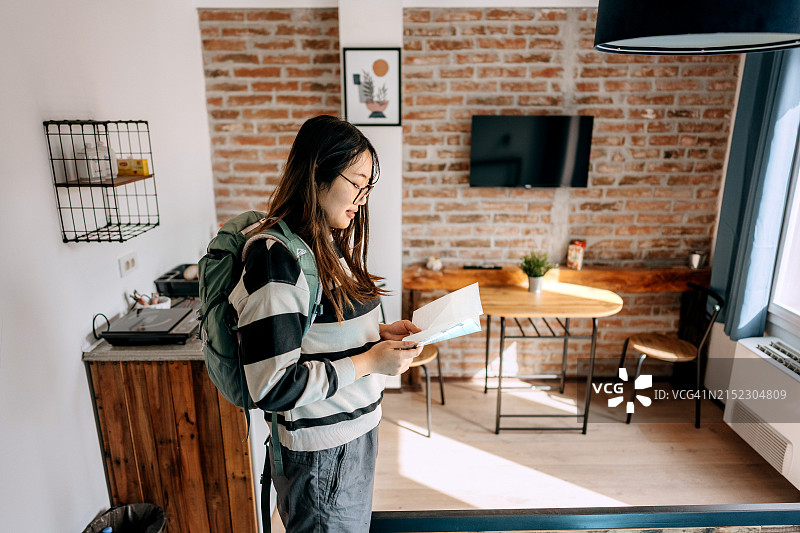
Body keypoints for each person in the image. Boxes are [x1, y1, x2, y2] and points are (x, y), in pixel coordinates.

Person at [228, 114, 424, 532]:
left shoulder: (324, 241)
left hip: (349, 440)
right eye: (357, 183)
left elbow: (317, 334)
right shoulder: (276, 257)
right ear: (317, 173)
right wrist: (370, 362)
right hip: (321, 457)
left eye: (368, 187)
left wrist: (377, 338)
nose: (364, 199)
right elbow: (273, 385)